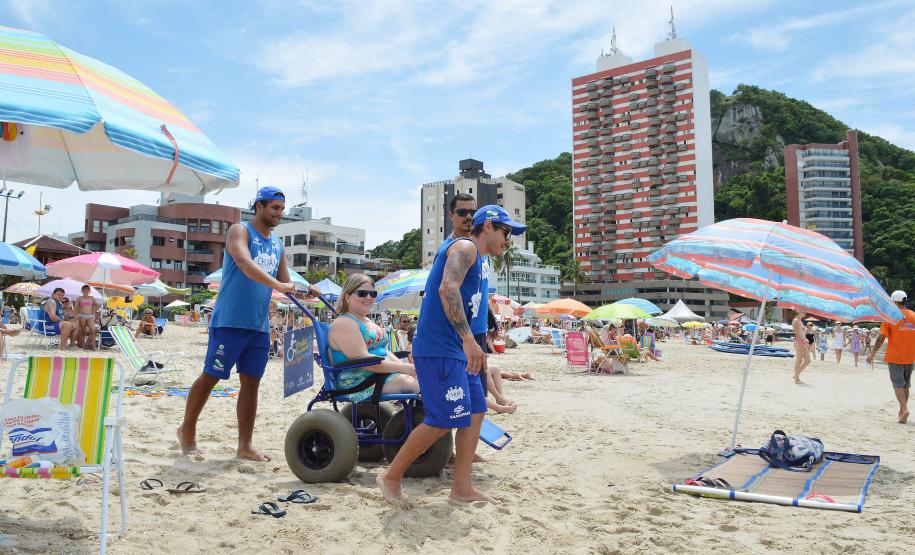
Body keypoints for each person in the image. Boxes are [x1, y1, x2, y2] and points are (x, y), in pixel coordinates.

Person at [377, 204, 525, 504]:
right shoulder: (465, 247)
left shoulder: (481, 259)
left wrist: (477, 346)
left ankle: (461, 488)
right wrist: (469, 340)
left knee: (475, 411)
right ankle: (390, 476)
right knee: (443, 418)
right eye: (505, 232)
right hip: (440, 347)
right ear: (487, 227)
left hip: (461, 349)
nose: (508, 239)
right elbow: (448, 288)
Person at [177, 186, 319, 461]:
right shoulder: (239, 231)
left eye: (282, 209)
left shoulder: (277, 244)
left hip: (258, 325)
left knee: (251, 383)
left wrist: (305, 290)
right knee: (211, 376)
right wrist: (279, 284)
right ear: (259, 206)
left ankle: (245, 445)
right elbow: (243, 261)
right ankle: (187, 430)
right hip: (230, 320)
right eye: (275, 208)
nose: (280, 214)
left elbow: (287, 284)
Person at [327, 274, 419, 400]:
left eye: (373, 294)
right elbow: (365, 361)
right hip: (357, 380)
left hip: (377, 374)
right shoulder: (344, 323)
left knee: (422, 381)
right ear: (347, 297)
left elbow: (384, 352)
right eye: (362, 293)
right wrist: (404, 368)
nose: (369, 297)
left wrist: (408, 370)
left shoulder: (365, 321)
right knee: (417, 385)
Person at [867, 291, 915, 424]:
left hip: (895, 356)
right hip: (910, 356)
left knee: (898, 384)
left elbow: (881, 338)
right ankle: (902, 410)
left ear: (894, 301)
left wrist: (872, 354)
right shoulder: (914, 316)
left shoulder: (890, 317)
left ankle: (904, 409)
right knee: (906, 385)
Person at [792, 311, 812, 384]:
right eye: (803, 312)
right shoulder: (795, 320)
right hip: (799, 342)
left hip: (803, 342)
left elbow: (802, 333)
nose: (805, 313)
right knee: (799, 361)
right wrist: (803, 342)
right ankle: (797, 379)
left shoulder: (799, 320)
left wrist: (806, 341)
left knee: (808, 360)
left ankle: (796, 374)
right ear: (799, 312)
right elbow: (797, 334)